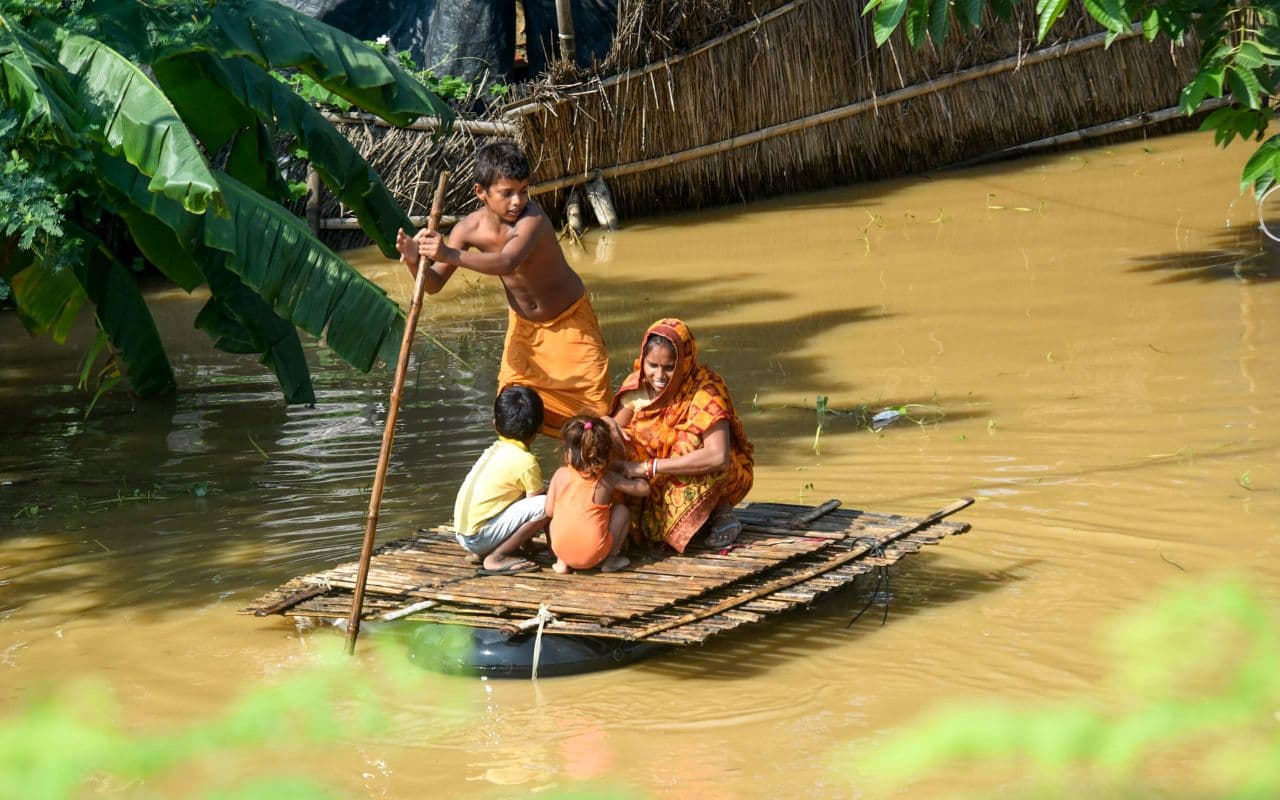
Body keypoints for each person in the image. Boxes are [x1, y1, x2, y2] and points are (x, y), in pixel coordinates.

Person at [396, 140, 610, 436]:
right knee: (511, 418)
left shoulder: (532, 220)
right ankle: (521, 479)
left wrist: (448, 254)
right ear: (480, 192)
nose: (517, 201)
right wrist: (412, 261)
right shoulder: (467, 229)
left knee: (592, 422)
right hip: (524, 330)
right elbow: (434, 284)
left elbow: (507, 261)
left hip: (571, 323)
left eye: (523, 191)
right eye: (507, 193)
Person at [610, 319, 754, 553]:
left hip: (696, 472)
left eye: (669, 367)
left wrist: (650, 467)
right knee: (615, 446)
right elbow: (613, 432)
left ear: (685, 362)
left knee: (690, 443)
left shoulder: (705, 390)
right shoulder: (636, 386)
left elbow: (718, 457)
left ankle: (722, 512)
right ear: (643, 360)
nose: (659, 375)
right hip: (649, 477)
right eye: (652, 365)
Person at [453, 385, 549, 575]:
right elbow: (535, 504)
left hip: (464, 534)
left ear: (495, 424)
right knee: (547, 504)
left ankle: (515, 547)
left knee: (529, 497)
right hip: (478, 538)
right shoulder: (526, 462)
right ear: (540, 427)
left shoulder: (495, 450)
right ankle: (498, 557)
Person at [544, 416, 650, 573]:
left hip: (561, 548)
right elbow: (644, 489)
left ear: (568, 452)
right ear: (606, 453)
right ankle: (611, 560)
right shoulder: (607, 478)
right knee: (622, 511)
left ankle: (561, 562)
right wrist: (628, 467)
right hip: (593, 555)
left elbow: (549, 511)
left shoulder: (560, 474)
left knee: (556, 518)